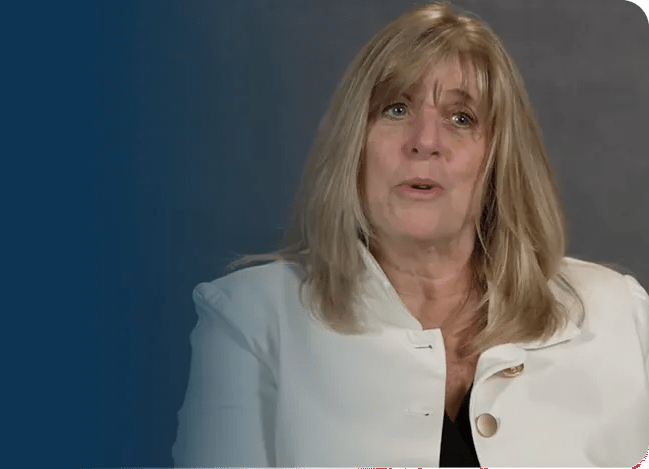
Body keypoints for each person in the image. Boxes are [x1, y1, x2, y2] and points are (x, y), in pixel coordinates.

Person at [172, 2, 649, 467]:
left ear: (499, 160)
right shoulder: (250, 321)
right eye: (396, 109)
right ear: (355, 144)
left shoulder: (618, 316)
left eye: (461, 118)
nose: (424, 141)